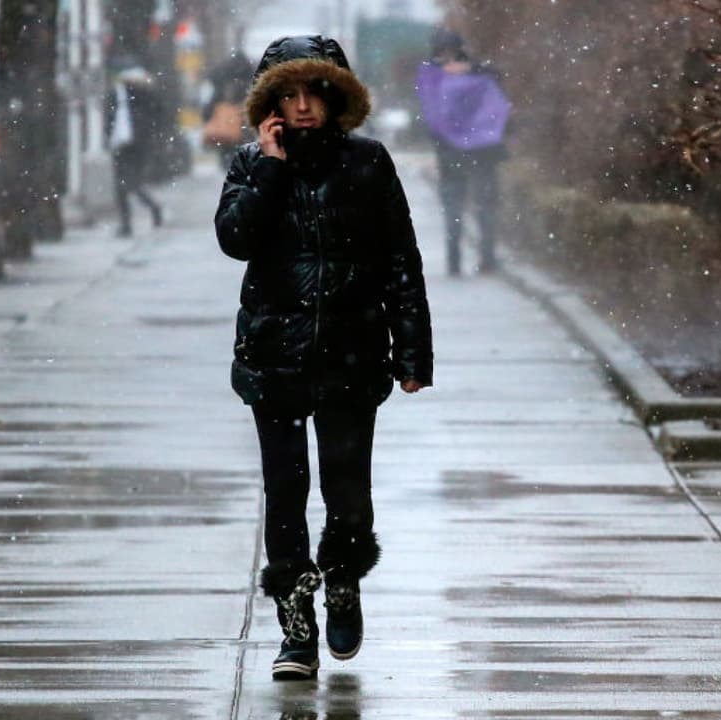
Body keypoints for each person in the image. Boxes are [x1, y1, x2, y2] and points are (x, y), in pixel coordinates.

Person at [215, 35, 433, 681]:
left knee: (348, 494)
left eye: (314, 93)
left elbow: (401, 260)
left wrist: (412, 351)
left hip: (351, 351)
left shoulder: (367, 161)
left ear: (337, 96)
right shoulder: (254, 162)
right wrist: (273, 165)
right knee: (284, 496)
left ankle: (342, 583)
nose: (304, 107)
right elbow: (235, 240)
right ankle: (295, 628)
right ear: (271, 104)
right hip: (274, 357)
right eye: (289, 95)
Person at [416, 28, 511, 275]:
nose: (448, 63)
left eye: (452, 56)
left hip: (460, 153)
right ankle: (467, 258)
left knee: (466, 205)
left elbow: (433, 116)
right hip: (473, 152)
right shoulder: (439, 76)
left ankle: (471, 259)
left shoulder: (438, 75)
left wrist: (472, 70)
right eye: (442, 57)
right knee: (468, 206)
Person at [104, 67, 163, 238]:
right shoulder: (147, 95)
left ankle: (127, 223)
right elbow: (157, 118)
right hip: (138, 144)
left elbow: (110, 119)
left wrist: (109, 134)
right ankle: (151, 209)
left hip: (123, 143)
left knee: (124, 185)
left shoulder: (118, 95)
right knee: (132, 183)